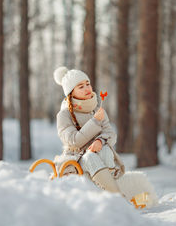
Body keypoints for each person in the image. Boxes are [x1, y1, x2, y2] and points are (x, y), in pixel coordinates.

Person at [53, 66, 125, 194]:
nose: (87, 88)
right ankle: (118, 198)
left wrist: (100, 141)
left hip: (100, 157)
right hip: (77, 160)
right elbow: (74, 141)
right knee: (90, 158)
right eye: (80, 86)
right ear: (71, 92)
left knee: (105, 150)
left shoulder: (97, 110)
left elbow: (110, 134)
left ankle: (108, 194)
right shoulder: (64, 115)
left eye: (88, 84)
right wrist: (95, 122)